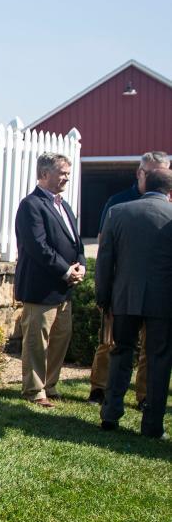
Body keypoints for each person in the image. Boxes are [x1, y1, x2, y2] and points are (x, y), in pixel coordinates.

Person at [95, 167, 172, 439]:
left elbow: (105, 260)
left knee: (120, 354)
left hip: (124, 297)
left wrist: (103, 296)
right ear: (169, 191)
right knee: (159, 361)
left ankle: (110, 414)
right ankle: (152, 425)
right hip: (163, 301)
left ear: (144, 185)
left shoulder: (119, 212)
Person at [13, 153, 86, 407]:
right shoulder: (31, 205)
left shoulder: (64, 205)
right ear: (44, 174)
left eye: (68, 172)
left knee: (60, 338)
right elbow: (38, 246)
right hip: (40, 288)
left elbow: (77, 242)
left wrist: (82, 265)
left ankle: (50, 385)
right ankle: (34, 390)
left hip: (63, 288)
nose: (67, 177)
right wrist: (66, 270)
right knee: (37, 340)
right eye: (62, 172)